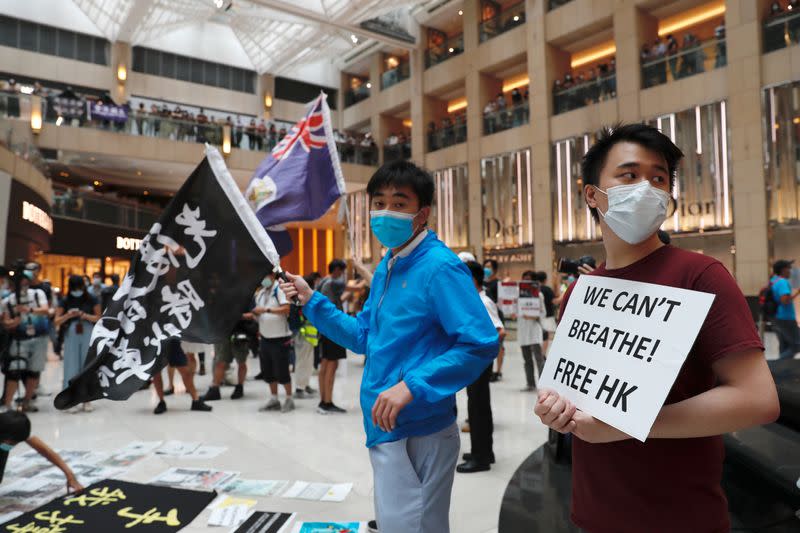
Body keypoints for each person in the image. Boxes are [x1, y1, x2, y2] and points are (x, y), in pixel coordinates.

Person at [534, 123, 780, 532]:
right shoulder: (581, 291)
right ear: (591, 194)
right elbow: (578, 391)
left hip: (679, 517)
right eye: (629, 175)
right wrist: (556, 407)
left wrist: (625, 424)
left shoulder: (700, 275)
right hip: (593, 511)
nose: (646, 187)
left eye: (658, 178)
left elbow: (757, 399)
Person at [280, 160, 498, 533]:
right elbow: (364, 335)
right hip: (386, 426)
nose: (385, 212)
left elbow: (480, 343)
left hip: (420, 428)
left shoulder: (439, 268)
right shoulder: (389, 264)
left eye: (399, 203)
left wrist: (412, 385)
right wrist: (311, 300)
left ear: (422, 213)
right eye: (378, 203)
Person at [457, 261, 502, 474]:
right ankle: (484, 451)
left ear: (472, 279)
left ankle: (481, 457)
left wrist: (483, 352)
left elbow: (499, 331)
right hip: (476, 362)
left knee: (478, 408)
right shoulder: (476, 300)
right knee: (477, 407)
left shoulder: (483, 302)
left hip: (480, 363)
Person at [0, 411, 83, 492]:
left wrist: (70, 475)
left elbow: (46, 451)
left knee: (3, 449)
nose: (12, 445)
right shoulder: (5, 429)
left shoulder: (14, 428)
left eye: (15, 443)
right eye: (11, 443)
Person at [1, 275, 49, 413]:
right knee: (14, 369)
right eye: (20, 284)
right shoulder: (8, 300)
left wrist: (30, 310)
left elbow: (46, 310)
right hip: (19, 339)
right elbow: (5, 322)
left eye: (26, 283)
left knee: (34, 371)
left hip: (39, 337)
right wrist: (12, 323)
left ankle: (27, 401)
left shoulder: (37, 294)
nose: (23, 286)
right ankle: (8, 405)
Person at [54, 276, 100, 413]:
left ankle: (87, 398)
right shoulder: (65, 300)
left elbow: (99, 317)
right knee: (71, 365)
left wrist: (84, 315)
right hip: (71, 333)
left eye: (79, 287)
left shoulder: (92, 298)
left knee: (87, 365)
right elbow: (56, 321)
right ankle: (70, 398)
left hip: (87, 332)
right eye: (75, 287)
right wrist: (68, 315)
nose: (77, 290)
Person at [253, 269, 294, 413]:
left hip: (280, 337)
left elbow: (286, 308)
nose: (263, 278)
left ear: (272, 275)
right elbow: (256, 309)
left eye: (265, 275)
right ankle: (274, 398)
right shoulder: (261, 292)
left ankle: (289, 398)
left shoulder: (279, 289)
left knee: (282, 370)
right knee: (268, 371)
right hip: (264, 337)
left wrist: (266, 310)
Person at [316, 259, 348, 414]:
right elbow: (353, 287)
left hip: (324, 328)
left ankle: (323, 400)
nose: (342, 274)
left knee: (325, 364)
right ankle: (327, 402)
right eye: (341, 271)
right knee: (332, 365)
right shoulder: (332, 283)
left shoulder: (323, 283)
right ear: (336, 270)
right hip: (333, 328)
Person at [202, 308, 255, 402]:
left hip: (240, 332)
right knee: (220, 362)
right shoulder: (219, 296)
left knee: (241, 362)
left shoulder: (245, 296)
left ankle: (240, 386)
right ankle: (215, 388)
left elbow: (252, 314)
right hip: (222, 333)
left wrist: (235, 316)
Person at [153, 339, 212, 415]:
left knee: (183, 369)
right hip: (155, 340)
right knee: (156, 372)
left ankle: (196, 400)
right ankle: (161, 401)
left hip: (171, 338)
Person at [293, 274, 319, 399]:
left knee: (308, 362)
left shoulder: (306, 297)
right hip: (301, 334)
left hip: (310, 336)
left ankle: (305, 384)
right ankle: (299, 388)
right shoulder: (298, 299)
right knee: (301, 361)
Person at [519, 271, 546, 392]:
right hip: (523, 330)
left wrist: (535, 315)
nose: (526, 282)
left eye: (529, 279)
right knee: (527, 359)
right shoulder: (519, 295)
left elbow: (543, 312)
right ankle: (530, 383)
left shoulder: (539, 295)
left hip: (535, 329)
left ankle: (543, 384)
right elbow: (515, 310)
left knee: (538, 358)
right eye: (524, 279)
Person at [770, 259, 800, 360]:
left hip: (777, 318)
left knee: (784, 346)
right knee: (797, 345)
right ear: (783, 270)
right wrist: (797, 293)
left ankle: (783, 372)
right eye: (788, 268)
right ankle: (775, 366)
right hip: (787, 318)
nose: (790, 271)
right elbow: (785, 301)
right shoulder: (783, 282)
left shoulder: (774, 280)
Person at [536, 271, 557, 355]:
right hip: (547, 317)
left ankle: (541, 354)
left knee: (540, 336)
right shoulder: (547, 289)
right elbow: (555, 301)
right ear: (545, 279)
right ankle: (543, 354)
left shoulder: (534, 289)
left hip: (537, 317)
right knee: (546, 337)